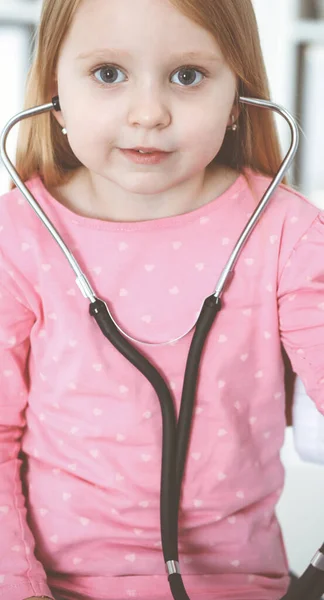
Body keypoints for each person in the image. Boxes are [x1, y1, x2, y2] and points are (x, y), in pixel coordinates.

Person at [0, 0, 323, 599]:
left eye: (187, 76)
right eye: (108, 74)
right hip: (53, 587)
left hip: (240, 588)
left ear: (237, 97)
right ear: (55, 90)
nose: (148, 113)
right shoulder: (19, 236)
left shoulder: (286, 233)